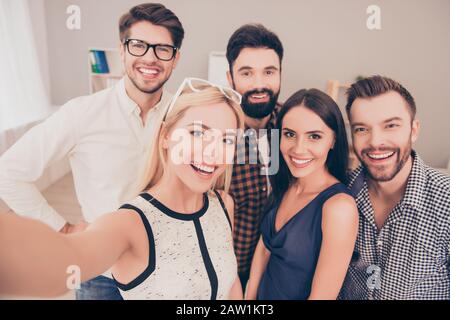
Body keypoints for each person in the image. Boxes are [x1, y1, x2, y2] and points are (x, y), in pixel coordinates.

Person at [0, 3, 184, 300]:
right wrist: (63, 229)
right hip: (101, 272)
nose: (150, 58)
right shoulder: (82, 113)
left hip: (168, 266)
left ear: (175, 59)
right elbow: (8, 173)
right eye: (138, 45)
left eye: (163, 49)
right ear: (122, 51)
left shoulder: (185, 115)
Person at [0, 79, 245, 300]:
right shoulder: (128, 224)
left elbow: (231, 283)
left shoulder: (223, 205)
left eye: (227, 139)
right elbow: (65, 263)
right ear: (165, 136)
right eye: (198, 133)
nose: (213, 151)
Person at [339, 75, 450, 300]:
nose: (375, 142)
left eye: (391, 125)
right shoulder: (341, 193)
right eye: (362, 129)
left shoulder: (446, 200)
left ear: (414, 130)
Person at [245, 89, 358, 300]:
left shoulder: (338, 207)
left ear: (333, 140)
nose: (298, 149)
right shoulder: (284, 183)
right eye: (289, 134)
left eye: (314, 136)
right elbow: (264, 249)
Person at [225, 24, 284, 291]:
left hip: (280, 274)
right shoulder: (215, 131)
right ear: (230, 77)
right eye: (246, 73)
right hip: (226, 277)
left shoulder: (293, 126)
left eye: (269, 72)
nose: (259, 84)